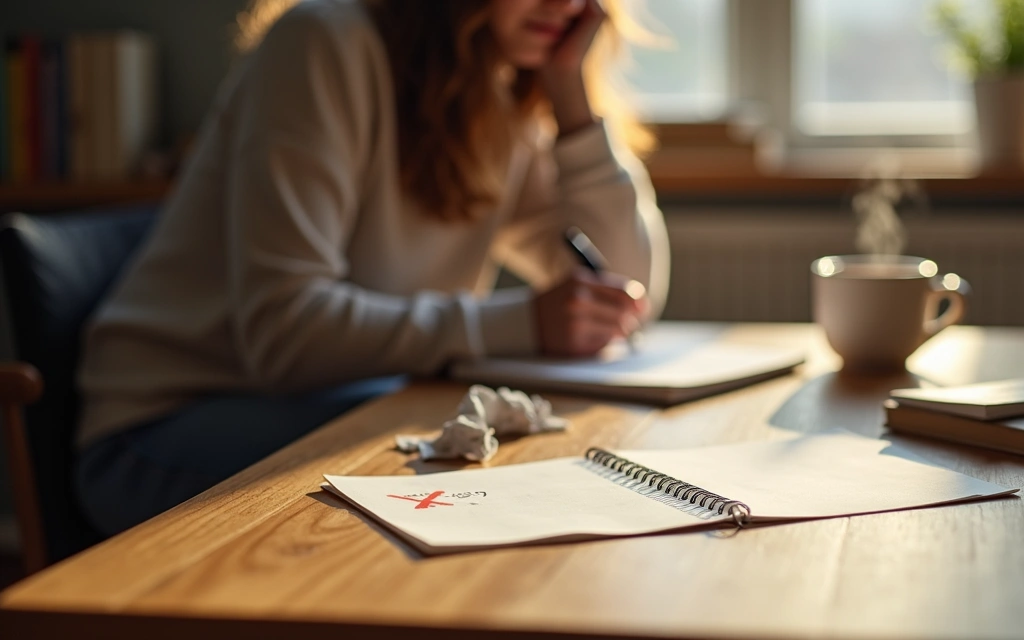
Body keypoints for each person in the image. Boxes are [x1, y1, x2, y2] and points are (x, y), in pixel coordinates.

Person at [74, 0, 669, 536]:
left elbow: (624, 292)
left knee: (523, 470)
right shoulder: (322, 41)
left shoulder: (500, 90)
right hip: (163, 426)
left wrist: (570, 97)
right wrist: (522, 324)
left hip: (349, 398)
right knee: (487, 489)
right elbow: (283, 333)